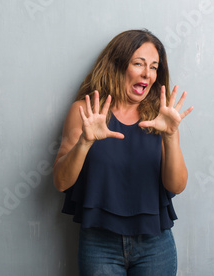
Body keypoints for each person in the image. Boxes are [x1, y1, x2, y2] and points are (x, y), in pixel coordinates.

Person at [52, 29, 193, 275]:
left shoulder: (162, 117)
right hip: (99, 243)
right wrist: (85, 141)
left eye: (153, 66)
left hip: (155, 243)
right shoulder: (84, 112)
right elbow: (61, 182)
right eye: (138, 64)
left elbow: (177, 186)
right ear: (117, 65)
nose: (147, 74)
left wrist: (170, 137)